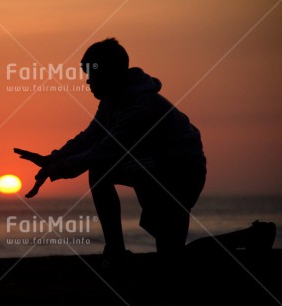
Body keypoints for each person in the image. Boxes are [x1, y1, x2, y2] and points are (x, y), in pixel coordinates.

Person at [14, 38, 275, 267]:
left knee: (173, 258)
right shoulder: (112, 102)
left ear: (110, 74)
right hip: (153, 168)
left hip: (179, 172)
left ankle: (252, 237)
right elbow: (90, 137)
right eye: (85, 73)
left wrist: (56, 169)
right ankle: (116, 251)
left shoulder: (140, 106)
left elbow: (105, 151)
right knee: (171, 255)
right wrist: (52, 159)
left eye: (92, 74)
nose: (87, 81)